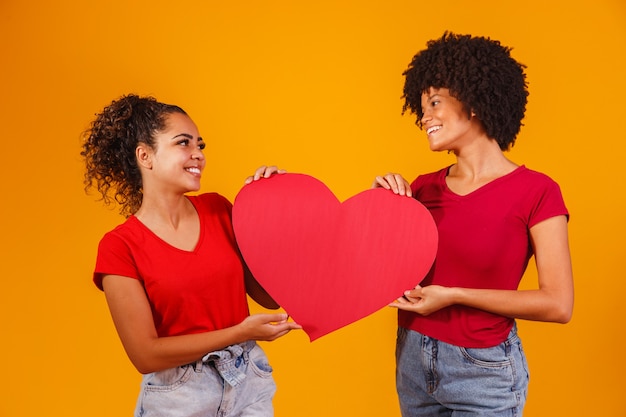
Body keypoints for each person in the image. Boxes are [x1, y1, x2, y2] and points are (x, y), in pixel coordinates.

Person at [373, 32, 574, 416]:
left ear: (475, 102)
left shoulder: (537, 191)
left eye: (434, 102)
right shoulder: (419, 189)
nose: (424, 117)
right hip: (414, 358)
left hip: (484, 370)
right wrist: (379, 206)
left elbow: (558, 304)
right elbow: (376, 275)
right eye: (421, 107)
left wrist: (454, 294)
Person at [81, 94, 301, 417]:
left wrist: (269, 209)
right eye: (184, 143)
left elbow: (270, 297)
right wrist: (241, 332)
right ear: (145, 156)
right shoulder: (120, 247)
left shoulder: (219, 211)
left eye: (200, 145)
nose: (198, 155)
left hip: (248, 384)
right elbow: (146, 355)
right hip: (178, 398)